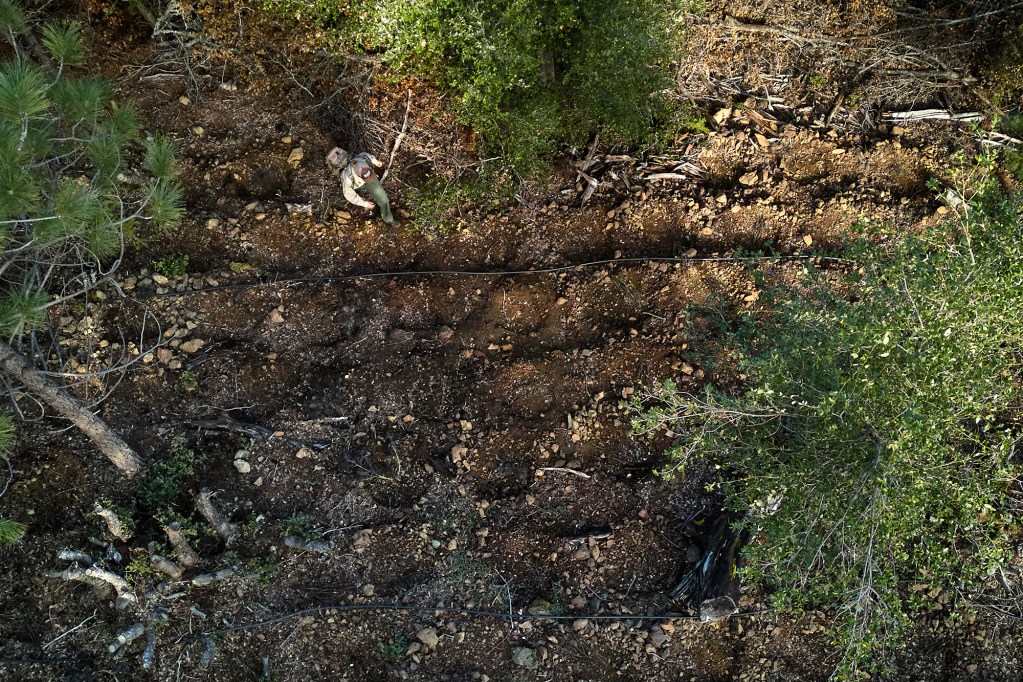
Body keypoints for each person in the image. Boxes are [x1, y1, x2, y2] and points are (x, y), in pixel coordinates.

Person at [325, 147, 396, 225]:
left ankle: (389, 219)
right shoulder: (346, 177)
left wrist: (377, 162)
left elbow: (371, 158)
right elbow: (349, 195)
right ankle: (362, 194)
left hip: (372, 182)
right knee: (360, 194)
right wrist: (365, 204)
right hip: (357, 185)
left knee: (384, 200)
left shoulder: (364, 157)